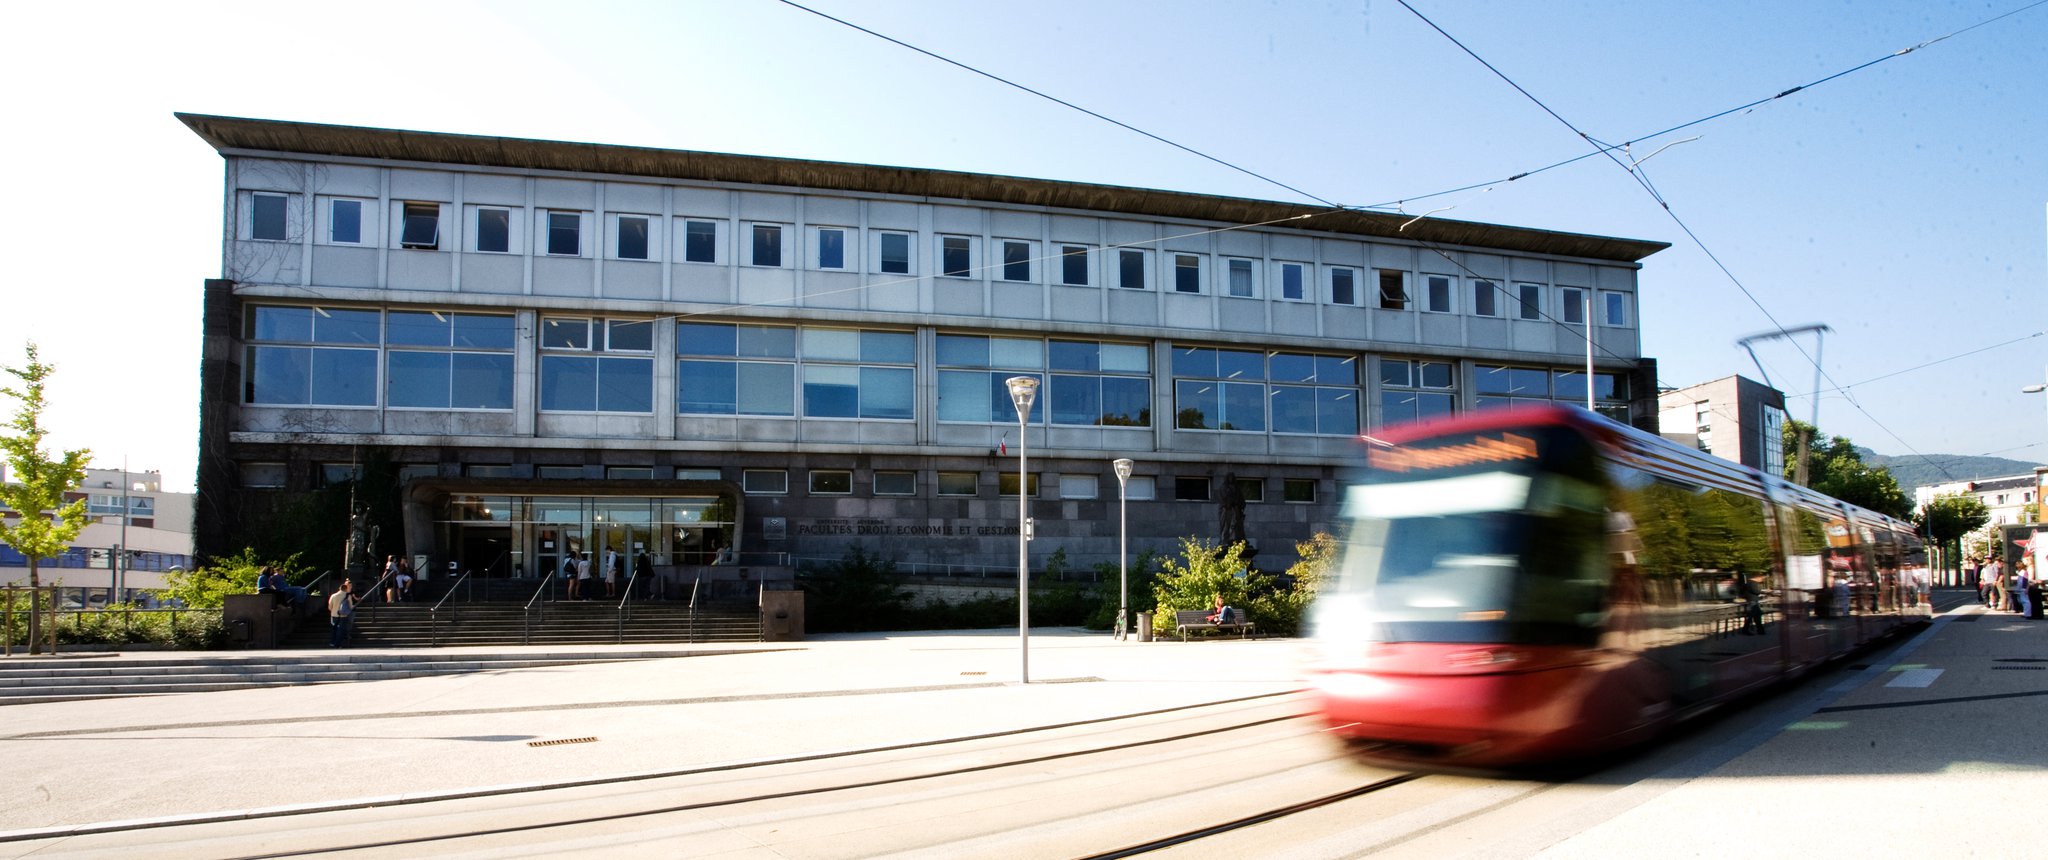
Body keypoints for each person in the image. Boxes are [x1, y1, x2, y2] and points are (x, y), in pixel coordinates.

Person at [327, 578, 357, 647]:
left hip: (334, 615)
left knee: (334, 629)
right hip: (343, 615)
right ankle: (338, 644)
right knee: (341, 630)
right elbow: (351, 606)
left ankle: (332, 642)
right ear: (346, 589)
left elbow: (329, 607)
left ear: (339, 589)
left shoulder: (333, 596)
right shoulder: (347, 595)